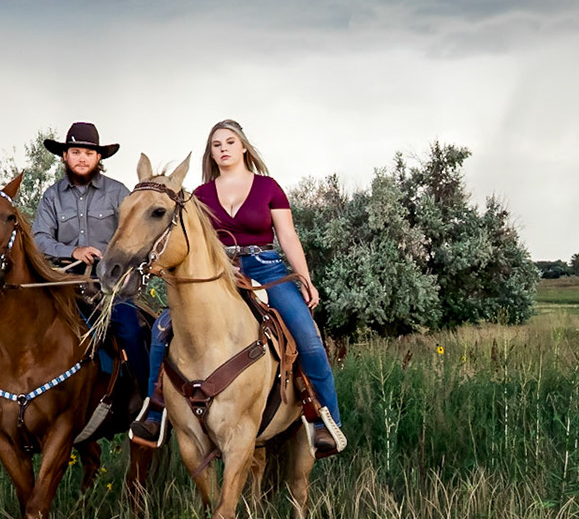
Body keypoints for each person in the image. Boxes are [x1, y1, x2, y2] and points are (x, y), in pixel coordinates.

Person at [143, 119, 347, 457]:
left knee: (308, 338)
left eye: (229, 142)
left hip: (265, 268)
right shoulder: (200, 195)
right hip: (218, 270)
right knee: (163, 328)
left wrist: (305, 277)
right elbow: (188, 239)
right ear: (211, 153)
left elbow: (288, 237)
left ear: (243, 147)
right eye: (216, 145)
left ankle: (325, 422)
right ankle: (155, 412)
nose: (223, 149)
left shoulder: (268, 187)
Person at [33, 121, 147, 395]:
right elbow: (39, 239)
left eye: (88, 152)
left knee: (130, 332)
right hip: (65, 283)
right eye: (75, 152)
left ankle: (150, 401)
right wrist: (72, 251)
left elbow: (138, 235)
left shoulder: (118, 192)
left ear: (98, 157)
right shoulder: (52, 197)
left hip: (111, 285)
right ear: (64, 156)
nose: (82, 158)